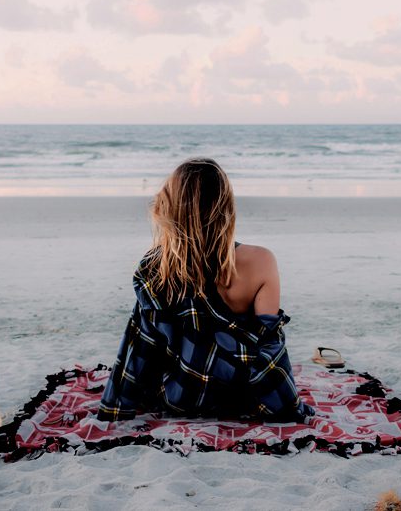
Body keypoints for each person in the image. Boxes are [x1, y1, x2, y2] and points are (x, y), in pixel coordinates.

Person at [96, 158, 315, 423]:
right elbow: (268, 345)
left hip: (181, 397)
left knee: (144, 319)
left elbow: (143, 345)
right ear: (225, 206)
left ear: (173, 208)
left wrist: (117, 407)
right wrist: (284, 402)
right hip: (242, 397)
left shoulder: (156, 266)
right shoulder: (261, 260)